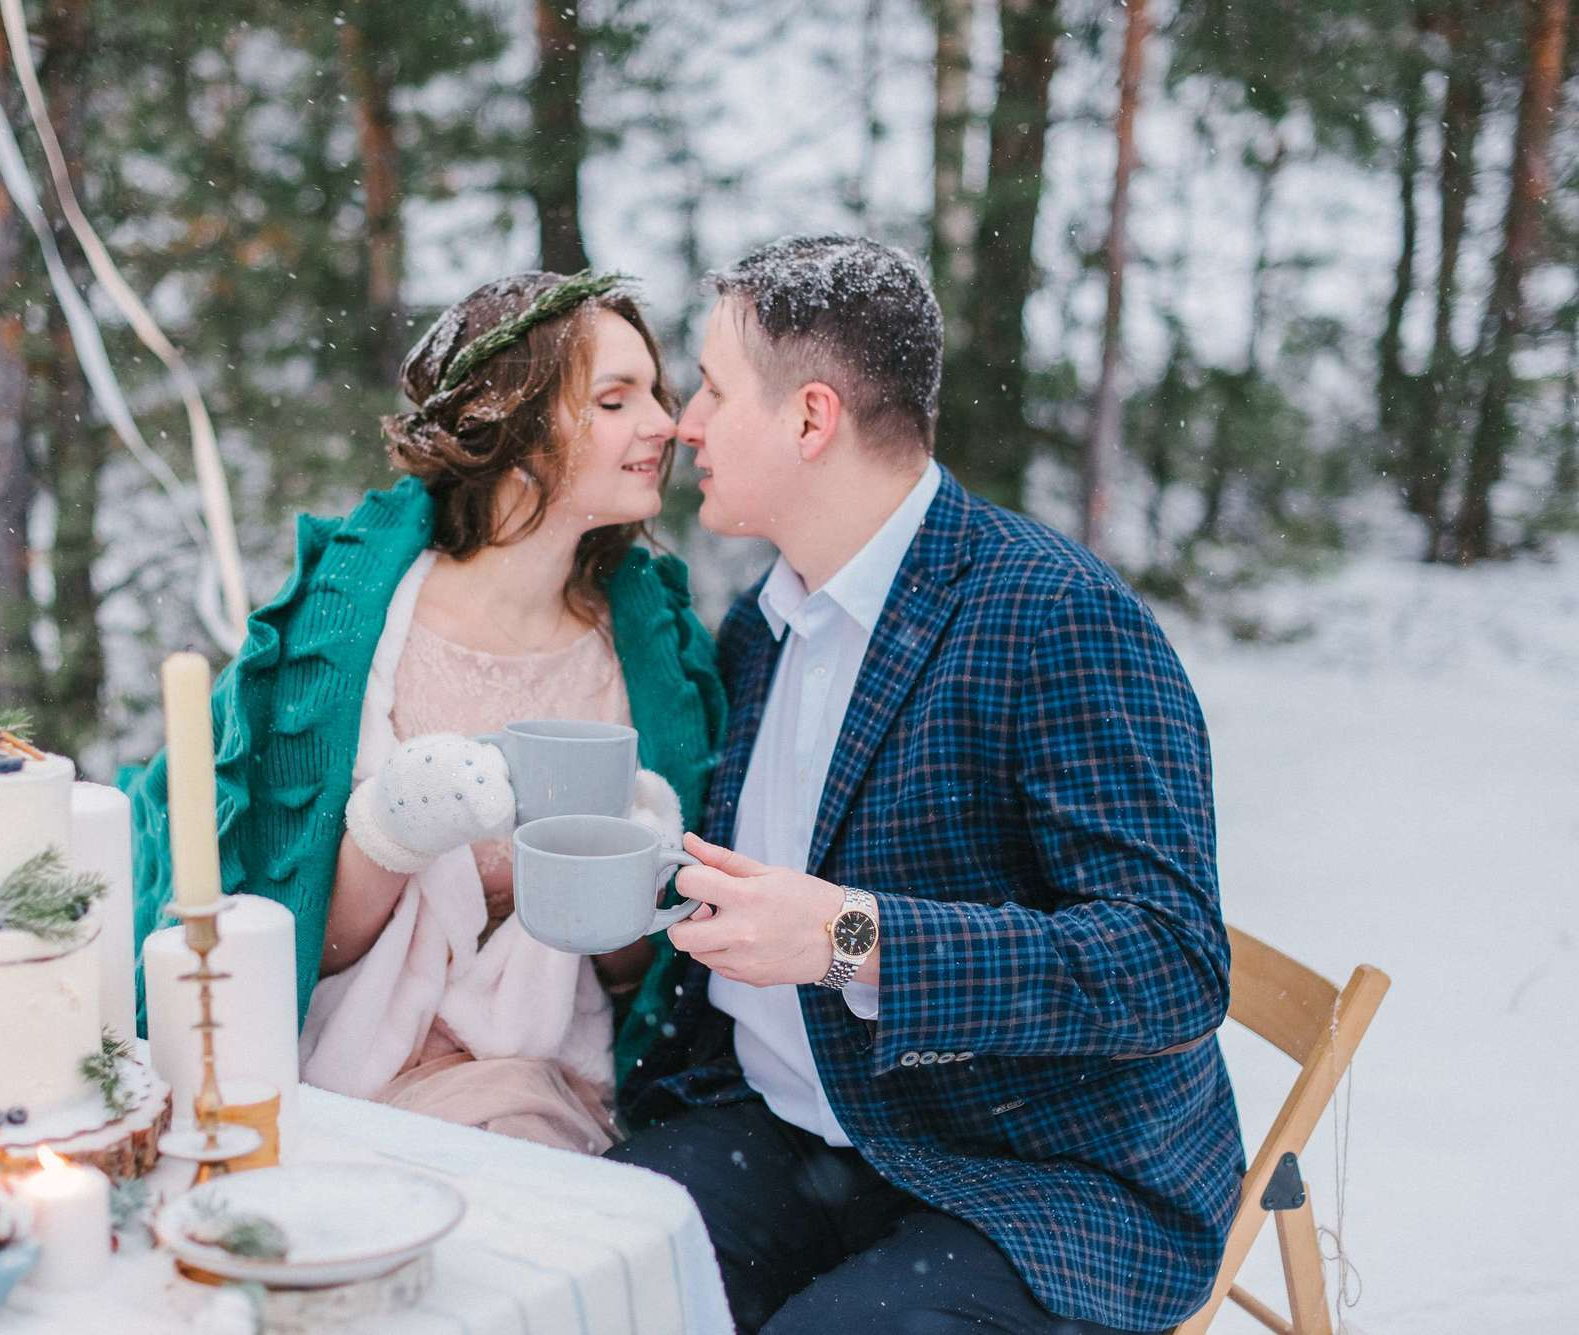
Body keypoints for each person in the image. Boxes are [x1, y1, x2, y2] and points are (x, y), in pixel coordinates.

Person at [609, 235, 1247, 1334]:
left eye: (711, 389)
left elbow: (1170, 964)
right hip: (788, 1131)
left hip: (1030, 1175)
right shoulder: (758, 627)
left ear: (811, 419)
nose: (685, 424)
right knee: (587, 1272)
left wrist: (851, 937)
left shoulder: (1056, 618)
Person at [125, 271, 725, 1154]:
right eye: (614, 399)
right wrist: (390, 827)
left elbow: (648, 990)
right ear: (514, 428)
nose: (665, 424)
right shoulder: (354, 639)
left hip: (563, 1083)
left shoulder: (649, 650)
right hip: (356, 1067)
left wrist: (627, 878)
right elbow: (296, 948)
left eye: (656, 394)